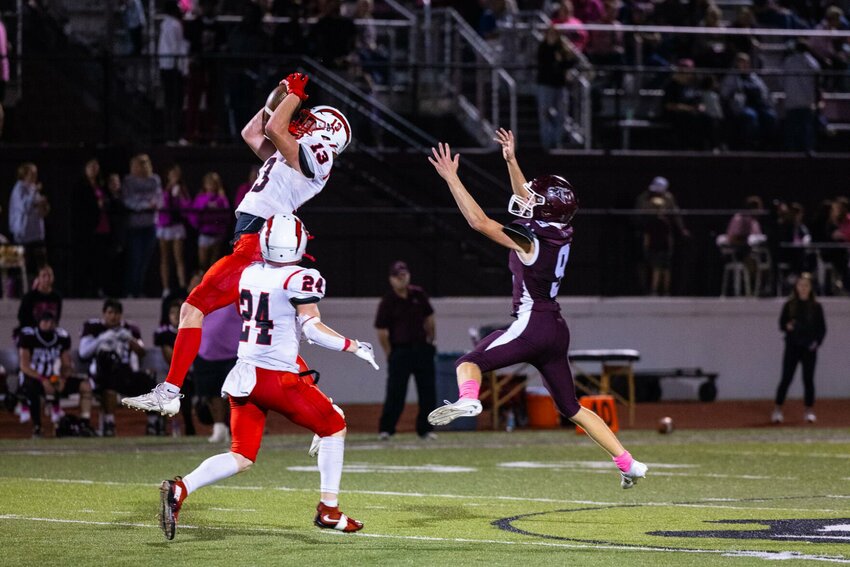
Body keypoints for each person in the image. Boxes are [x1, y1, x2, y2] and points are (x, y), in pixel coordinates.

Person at [425, 130, 648, 489]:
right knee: (572, 407)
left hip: (532, 324)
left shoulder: (531, 237)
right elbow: (527, 199)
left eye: (534, 197)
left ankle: (469, 401)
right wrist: (511, 160)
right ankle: (628, 462)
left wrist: (452, 178)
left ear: (544, 208)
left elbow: (479, 222)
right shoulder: (560, 230)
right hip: (556, 329)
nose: (525, 197)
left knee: (468, 364)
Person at [122, 73, 353, 417]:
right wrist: (280, 95)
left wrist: (294, 97)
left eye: (314, 117)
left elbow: (276, 129)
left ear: (328, 130)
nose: (307, 120)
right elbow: (254, 133)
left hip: (256, 244)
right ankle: (326, 411)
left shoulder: (320, 155)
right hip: (253, 242)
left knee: (192, 307)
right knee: (269, 338)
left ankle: (170, 391)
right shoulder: (297, 155)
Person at [158, 213, 379, 540]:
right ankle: (329, 510)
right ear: (298, 244)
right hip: (276, 379)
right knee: (334, 426)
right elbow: (312, 330)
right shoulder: (301, 277)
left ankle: (181, 488)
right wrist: (353, 346)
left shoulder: (249, 273)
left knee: (242, 455)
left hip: (244, 375)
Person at [375, 261, 437, 440]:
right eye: (398, 276)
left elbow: (430, 317)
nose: (402, 279)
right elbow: (382, 330)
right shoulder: (388, 301)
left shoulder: (418, 294)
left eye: (404, 275)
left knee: (427, 391)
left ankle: (426, 429)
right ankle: (386, 429)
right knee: (396, 392)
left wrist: (431, 339)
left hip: (422, 349)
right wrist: (389, 353)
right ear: (391, 279)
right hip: (400, 351)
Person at [79, 299, 152, 436]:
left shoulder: (130, 329)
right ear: (104, 314)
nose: (113, 316)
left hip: (125, 372)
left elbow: (142, 352)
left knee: (149, 382)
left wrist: (131, 340)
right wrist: (101, 339)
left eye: (117, 313)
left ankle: (154, 423)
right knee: (109, 379)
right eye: (110, 312)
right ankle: (109, 422)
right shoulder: (93, 327)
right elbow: (83, 353)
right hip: (101, 373)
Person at [17, 312, 94, 438]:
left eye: (51, 322)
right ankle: (37, 426)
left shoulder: (61, 337)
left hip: (53, 378)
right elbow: (24, 366)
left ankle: (84, 423)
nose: (49, 325)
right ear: (39, 322)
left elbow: (66, 364)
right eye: (45, 321)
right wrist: (43, 380)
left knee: (85, 386)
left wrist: (62, 378)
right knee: (32, 390)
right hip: (33, 378)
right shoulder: (28, 336)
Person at [772, 273, 826, 424]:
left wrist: (816, 343)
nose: (803, 288)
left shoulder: (816, 307)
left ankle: (809, 410)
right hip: (792, 347)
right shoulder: (789, 305)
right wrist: (788, 326)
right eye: (800, 285)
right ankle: (777, 409)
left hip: (809, 349)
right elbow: (782, 324)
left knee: (808, 380)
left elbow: (821, 329)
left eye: (806, 286)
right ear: (796, 287)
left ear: (810, 288)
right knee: (786, 378)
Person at [193, 292, 242, 443]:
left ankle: (238, 428)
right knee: (211, 393)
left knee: (236, 393)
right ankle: (219, 428)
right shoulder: (202, 296)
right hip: (206, 350)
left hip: (235, 351)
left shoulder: (239, 292)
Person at [122, 154, 162, 297]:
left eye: (145, 164)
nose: (142, 167)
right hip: (135, 227)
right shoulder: (128, 181)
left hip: (150, 225)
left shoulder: (154, 179)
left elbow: (158, 199)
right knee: (135, 259)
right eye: (139, 164)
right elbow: (128, 201)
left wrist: (146, 204)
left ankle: (139, 291)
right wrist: (145, 205)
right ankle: (130, 291)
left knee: (145, 261)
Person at [155, 300, 196, 437]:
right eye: (172, 313)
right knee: (174, 387)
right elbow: (170, 357)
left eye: (178, 312)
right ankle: (163, 426)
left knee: (186, 388)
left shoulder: (191, 330)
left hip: (188, 374)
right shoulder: (163, 334)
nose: (175, 315)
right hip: (167, 374)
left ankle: (188, 423)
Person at [536, 26, 576, 150]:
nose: (553, 36)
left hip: (560, 85)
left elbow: (571, 62)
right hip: (546, 84)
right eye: (551, 34)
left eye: (555, 34)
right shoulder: (543, 48)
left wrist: (565, 57)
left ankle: (558, 142)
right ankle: (546, 142)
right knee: (545, 113)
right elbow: (544, 63)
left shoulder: (563, 49)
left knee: (561, 115)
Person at [8, 162, 50, 277]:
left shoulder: (32, 188)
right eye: (32, 173)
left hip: (36, 235)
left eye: (36, 173)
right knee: (23, 270)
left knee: (41, 268)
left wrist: (44, 206)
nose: (35, 176)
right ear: (24, 174)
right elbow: (25, 207)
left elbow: (39, 210)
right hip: (23, 237)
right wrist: (35, 193)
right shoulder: (18, 189)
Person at [157, 165, 191, 296]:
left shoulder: (182, 190)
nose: (174, 177)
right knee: (165, 258)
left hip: (177, 226)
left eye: (177, 175)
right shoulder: (163, 189)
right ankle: (165, 289)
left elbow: (187, 206)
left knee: (179, 258)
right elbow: (161, 204)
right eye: (172, 174)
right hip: (164, 227)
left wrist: (180, 196)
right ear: (168, 176)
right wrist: (169, 191)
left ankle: (182, 286)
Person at [188, 172, 230, 270]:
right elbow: (193, 215)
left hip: (217, 235)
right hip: (204, 234)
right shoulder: (200, 198)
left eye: (213, 183)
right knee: (203, 264)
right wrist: (205, 207)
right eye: (209, 183)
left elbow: (227, 216)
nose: (211, 186)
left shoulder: (221, 199)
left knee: (214, 265)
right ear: (205, 184)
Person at [16, 264, 62, 335]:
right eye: (44, 276)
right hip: (31, 332)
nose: (47, 279)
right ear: (38, 278)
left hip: (50, 331)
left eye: (49, 275)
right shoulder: (29, 297)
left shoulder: (56, 297)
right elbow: (22, 317)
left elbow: (57, 318)